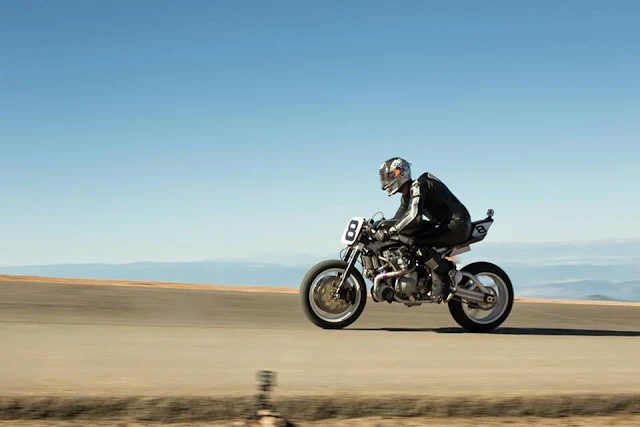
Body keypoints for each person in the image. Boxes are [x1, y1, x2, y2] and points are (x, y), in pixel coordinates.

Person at [373, 157, 473, 299]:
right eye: (385, 177)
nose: (387, 179)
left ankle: (448, 275)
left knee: (417, 243)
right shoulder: (407, 197)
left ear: (401, 172)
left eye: (390, 175)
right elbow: (398, 220)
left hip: (457, 224)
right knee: (406, 240)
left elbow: (414, 216)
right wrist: (380, 228)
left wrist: (390, 232)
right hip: (443, 225)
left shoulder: (419, 185)